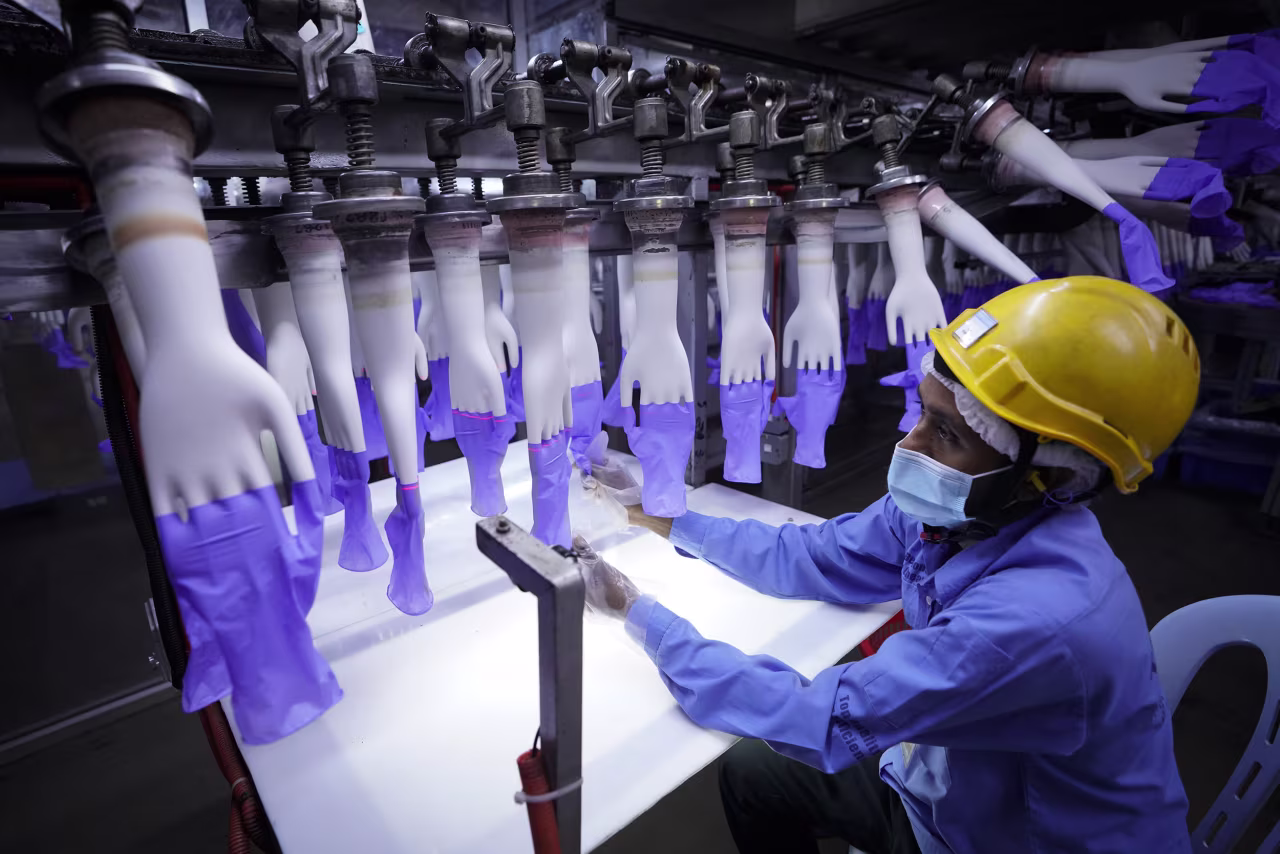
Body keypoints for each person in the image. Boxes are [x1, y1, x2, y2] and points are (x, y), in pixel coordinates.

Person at [575, 276, 1200, 854]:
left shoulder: (1035, 623)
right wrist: (658, 518)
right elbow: (819, 556)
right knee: (754, 773)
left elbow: (814, 717)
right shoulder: (966, 510)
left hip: (1012, 839)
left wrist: (637, 614)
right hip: (954, 781)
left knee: (771, 751)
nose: (910, 445)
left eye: (946, 432)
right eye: (922, 413)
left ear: (1053, 473)